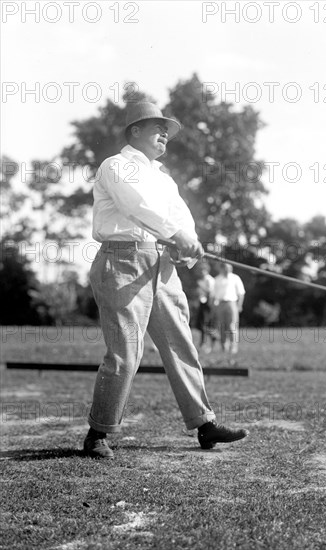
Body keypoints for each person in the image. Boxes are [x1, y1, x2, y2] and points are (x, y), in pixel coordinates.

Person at [83, 101, 248, 458]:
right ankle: (98, 433)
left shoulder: (164, 177)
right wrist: (176, 233)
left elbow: (180, 217)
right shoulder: (115, 165)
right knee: (126, 351)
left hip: (161, 262)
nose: (164, 134)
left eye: (167, 130)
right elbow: (135, 206)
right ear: (135, 131)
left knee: (180, 344)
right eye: (157, 127)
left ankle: (205, 425)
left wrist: (188, 244)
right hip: (121, 259)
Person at [213, 263, 246, 354]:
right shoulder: (217, 279)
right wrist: (214, 306)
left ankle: (233, 347)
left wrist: (239, 305)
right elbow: (214, 295)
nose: (227, 270)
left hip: (231, 303)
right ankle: (224, 346)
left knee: (232, 326)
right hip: (220, 304)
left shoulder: (235, 278)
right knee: (222, 326)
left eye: (229, 268)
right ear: (222, 268)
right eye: (226, 268)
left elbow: (241, 293)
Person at [194, 262, 217, 352]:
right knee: (200, 324)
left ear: (206, 270)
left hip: (208, 304)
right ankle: (213, 337)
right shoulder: (201, 280)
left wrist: (200, 287)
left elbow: (210, 292)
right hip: (202, 303)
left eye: (202, 270)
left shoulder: (209, 280)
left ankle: (204, 343)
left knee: (205, 324)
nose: (200, 272)